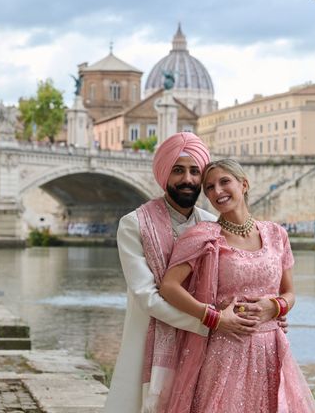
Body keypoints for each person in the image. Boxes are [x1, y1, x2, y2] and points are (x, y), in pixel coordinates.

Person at [104, 133, 263, 413]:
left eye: (194, 171)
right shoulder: (133, 224)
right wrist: (210, 322)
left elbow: (236, 285)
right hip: (151, 342)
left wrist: (268, 314)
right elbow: (147, 297)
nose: (187, 179)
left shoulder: (214, 223)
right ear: (164, 174)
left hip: (208, 347)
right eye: (178, 170)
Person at [160, 159, 315, 412]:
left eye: (225, 182)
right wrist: (212, 317)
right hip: (226, 348)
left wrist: (275, 307)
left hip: (271, 348)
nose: (217, 192)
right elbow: (169, 287)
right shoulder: (204, 236)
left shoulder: (276, 234)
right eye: (210, 187)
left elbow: (289, 293)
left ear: (243, 184)